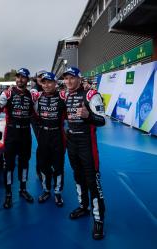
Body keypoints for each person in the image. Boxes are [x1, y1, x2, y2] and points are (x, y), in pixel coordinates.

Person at [62, 67, 106, 240]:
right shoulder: (65, 95)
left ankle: (99, 220)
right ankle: (83, 206)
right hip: (72, 143)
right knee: (78, 177)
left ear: (79, 78)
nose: (68, 82)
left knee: (92, 181)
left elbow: (102, 120)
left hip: (87, 145)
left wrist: (88, 116)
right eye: (66, 78)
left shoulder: (91, 95)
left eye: (71, 78)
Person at [0, 68, 36, 209]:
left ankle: (23, 189)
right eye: (18, 77)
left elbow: (36, 114)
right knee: (9, 165)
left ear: (27, 80)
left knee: (24, 163)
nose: (20, 80)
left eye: (23, 77)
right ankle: (8, 194)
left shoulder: (32, 95)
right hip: (11, 134)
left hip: (25, 134)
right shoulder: (8, 93)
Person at [32, 72, 66, 207]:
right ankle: (46, 190)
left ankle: (58, 192)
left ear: (55, 83)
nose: (46, 85)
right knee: (43, 165)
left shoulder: (63, 96)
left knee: (58, 166)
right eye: (44, 82)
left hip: (58, 135)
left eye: (49, 82)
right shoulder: (37, 97)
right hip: (43, 135)